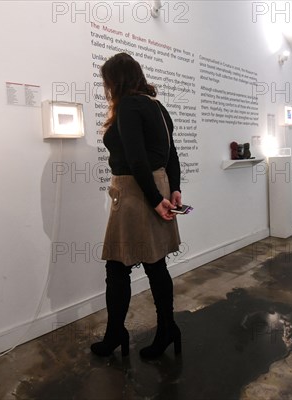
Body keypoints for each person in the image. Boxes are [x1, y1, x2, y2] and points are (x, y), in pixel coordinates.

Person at [91, 53, 182, 359]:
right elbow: (171, 154)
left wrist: (156, 201)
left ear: (115, 80)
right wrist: (174, 189)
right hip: (155, 186)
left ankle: (117, 333)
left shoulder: (129, 105)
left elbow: (135, 158)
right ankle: (165, 328)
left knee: (118, 266)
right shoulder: (157, 106)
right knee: (154, 264)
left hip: (135, 192)